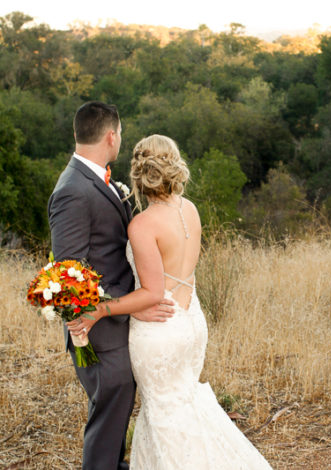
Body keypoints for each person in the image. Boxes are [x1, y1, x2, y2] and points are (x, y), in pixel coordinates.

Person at [67, 134, 273, 469]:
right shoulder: (189, 210)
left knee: (164, 415)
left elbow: (151, 292)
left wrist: (99, 309)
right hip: (191, 321)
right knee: (187, 408)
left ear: (139, 173)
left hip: (161, 328)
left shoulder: (143, 224)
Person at [48, 102, 174, 470]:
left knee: (115, 411)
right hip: (99, 329)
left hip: (115, 319)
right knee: (108, 413)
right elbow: (68, 271)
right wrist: (114, 311)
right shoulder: (73, 189)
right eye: (120, 134)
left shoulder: (97, 179)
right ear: (111, 135)